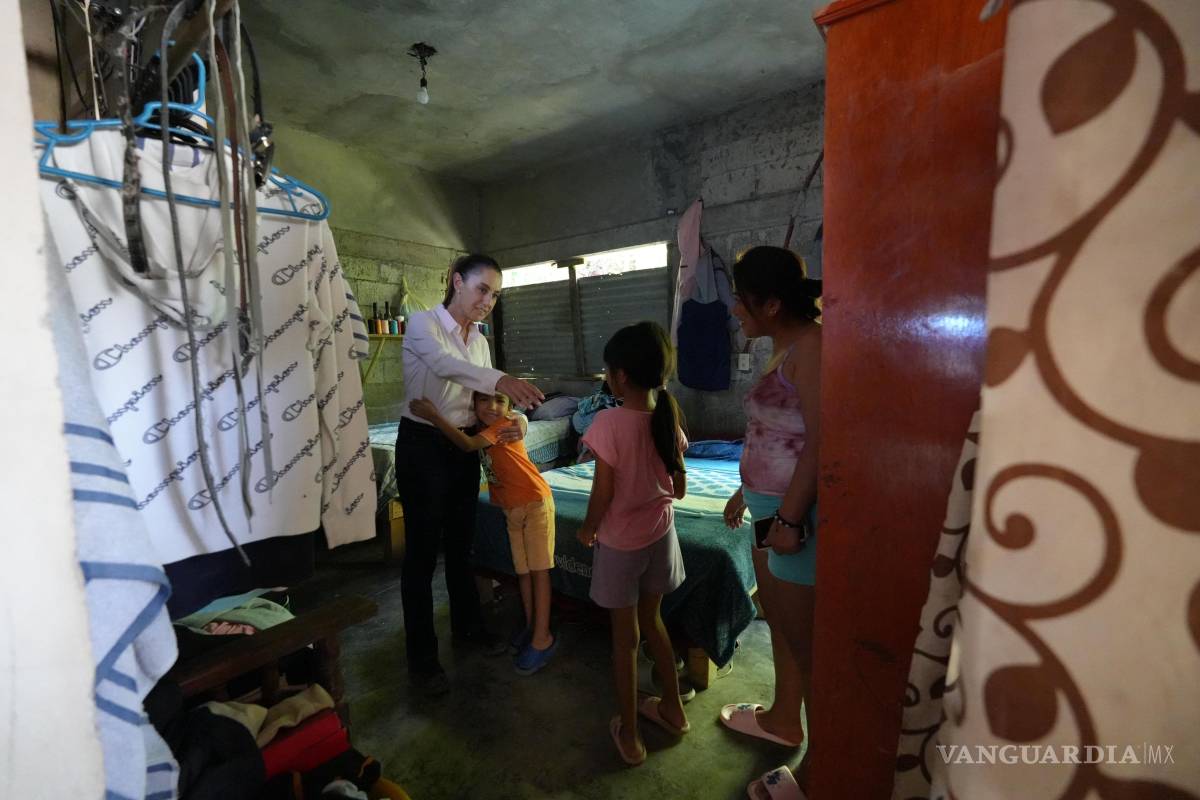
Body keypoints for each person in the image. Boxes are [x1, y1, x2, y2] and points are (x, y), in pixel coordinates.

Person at [396, 253, 544, 695]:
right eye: (483, 289)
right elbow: (446, 366)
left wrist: (517, 422)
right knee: (421, 555)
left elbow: (486, 401)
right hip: (422, 445)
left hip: (462, 447)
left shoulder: (479, 341)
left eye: (495, 294)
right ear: (457, 282)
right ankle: (422, 657)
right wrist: (501, 379)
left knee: (462, 546)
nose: (488, 300)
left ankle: (468, 628)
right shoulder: (423, 324)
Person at [718, 246, 821, 797]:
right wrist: (744, 488)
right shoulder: (784, 348)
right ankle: (784, 719)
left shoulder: (813, 348)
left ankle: (822, 773)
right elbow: (782, 435)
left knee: (809, 643)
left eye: (742, 300)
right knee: (780, 618)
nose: (736, 310)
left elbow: (823, 442)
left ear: (773, 304)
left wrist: (788, 516)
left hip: (792, 519)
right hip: (768, 509)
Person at [577, 321, 690, 766]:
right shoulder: (668, 416)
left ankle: (629, 733)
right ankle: (674, 710)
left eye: (607, 370)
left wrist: (588, 529)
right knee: (654, 622)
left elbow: (602, 493)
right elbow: (678, 491)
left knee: (624, 642)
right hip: (661, 536)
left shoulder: (609, 422)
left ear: (620, 375)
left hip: (622, 545)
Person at [409, 390, 559, 676]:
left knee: (539, 571)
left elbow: (467, 445)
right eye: (484, 400)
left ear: (509, 406)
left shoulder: (502, 426)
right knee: (523, 572)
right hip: (511, 508)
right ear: (473, 403)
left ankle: (543, 637)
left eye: (500, 401)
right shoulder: (484, 426)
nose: (492, 407)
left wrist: (434, 416)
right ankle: (531, 626)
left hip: (534, 501)